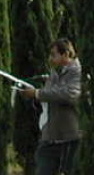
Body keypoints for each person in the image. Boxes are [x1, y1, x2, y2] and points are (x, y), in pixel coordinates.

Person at [19, 38, 82, 175]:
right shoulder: (55, 72)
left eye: (54, 55)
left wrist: (37, 93)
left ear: (65, 54)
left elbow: (69, 94)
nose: (50, 58)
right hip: (50, 135)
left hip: (70, 136)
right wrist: (33, 94)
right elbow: (48, 95)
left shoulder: (76, 72)